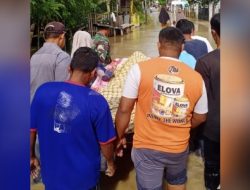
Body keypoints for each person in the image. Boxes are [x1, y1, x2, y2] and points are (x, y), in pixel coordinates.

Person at [115, 27, 208, 190]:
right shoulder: (196, 78)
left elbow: (124, 109)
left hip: (146, 147)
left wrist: (120, 135)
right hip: (178, 147)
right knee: (177, 181)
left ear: (158, 45)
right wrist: (182, 125)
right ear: (182, 47)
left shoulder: (139, 69)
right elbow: (201, 117)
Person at [30, 47, 117, 190]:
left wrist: (31, 155)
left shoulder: (43, 91)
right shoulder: (97, 101)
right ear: (94, 74)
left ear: (69, 68)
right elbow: (106, 143)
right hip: (84, 181)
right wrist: (111, 163)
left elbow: (31, 130)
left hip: (51, 177)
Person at [195, 13, 220, 190]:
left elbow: (199, 102)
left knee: (212, 172)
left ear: (213, 33)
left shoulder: (205, 62)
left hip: (214, 130)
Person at [30, 21, 71, 101]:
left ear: (45, 37)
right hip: (49, 108)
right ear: (62, 36)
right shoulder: (62, 57)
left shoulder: (34, 56)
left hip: (32, 105)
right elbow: (62, 90)